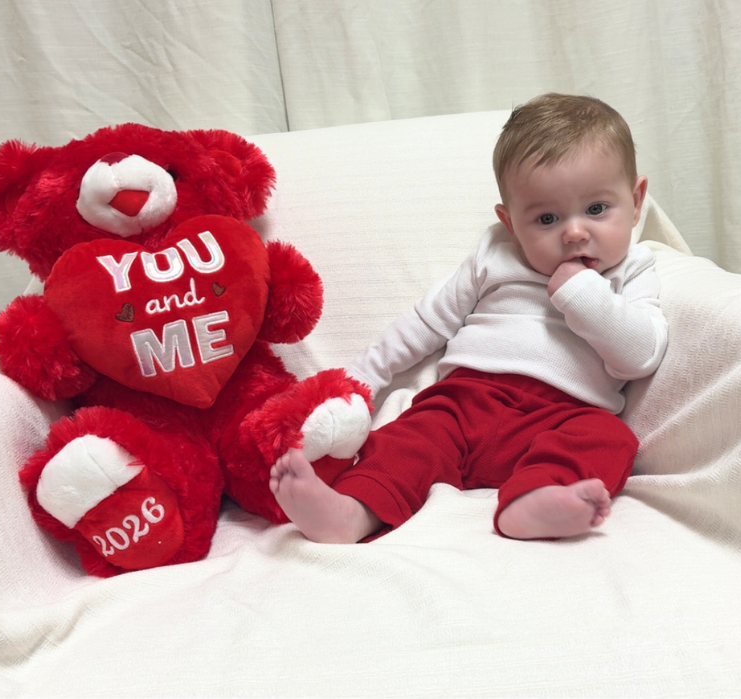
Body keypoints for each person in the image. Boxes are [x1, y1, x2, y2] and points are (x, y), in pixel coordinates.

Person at [269, 93, 668, 543]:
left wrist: (584, 296)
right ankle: (352, 512)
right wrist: (361, 380)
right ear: (511, 222)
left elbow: (640, 357)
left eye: (597, 209)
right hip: (464, 402)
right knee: (410, 440)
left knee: (610, 438)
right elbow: (426, 323)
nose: (575, 232)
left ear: (636, 201)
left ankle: (533, 501)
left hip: (564, 415)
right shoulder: (495, 253)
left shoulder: (633, 268)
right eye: (547, 218)